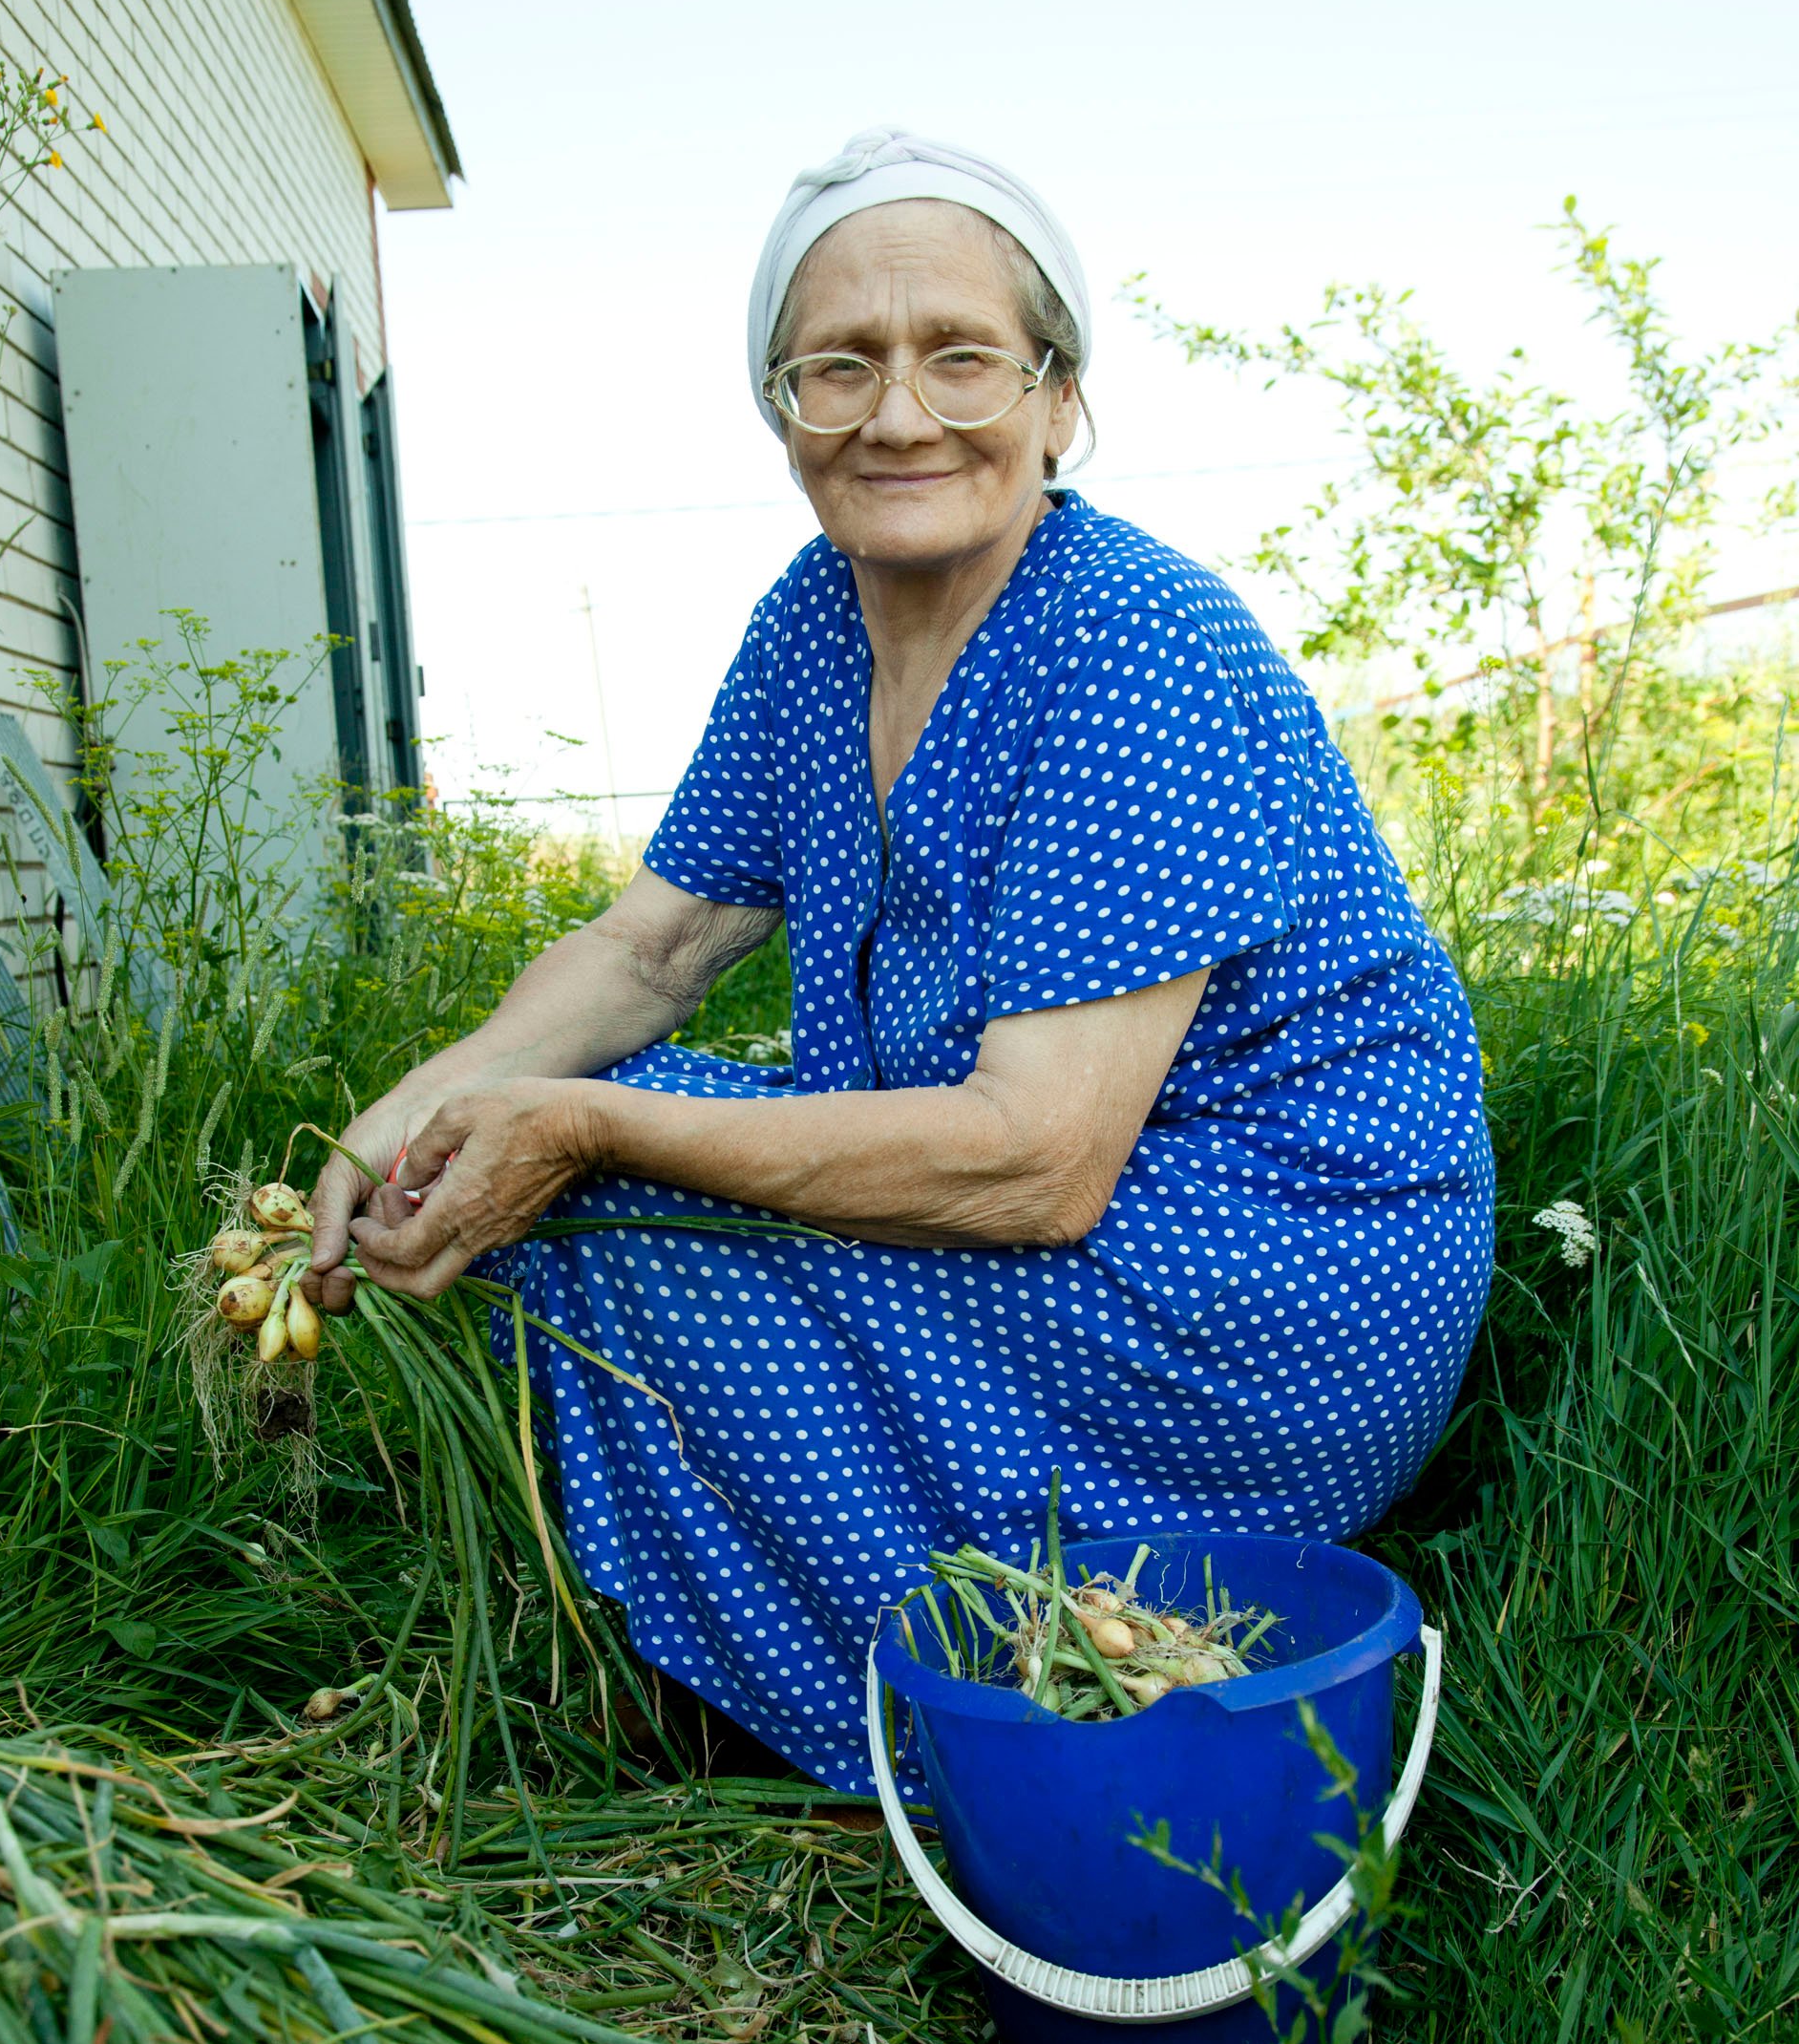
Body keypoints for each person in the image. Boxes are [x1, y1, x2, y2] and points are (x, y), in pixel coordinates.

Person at [305, 126, 1493, 1795]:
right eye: (836, 367)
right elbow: (653, 946)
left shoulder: (1131, 639)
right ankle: (841, 1643)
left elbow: (1040, 1163)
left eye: (962, 359)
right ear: (779, 408)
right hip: (1104, 1229)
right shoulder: (813, 619)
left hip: (1270, 1285)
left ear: (1059, 396)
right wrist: (400, 1114)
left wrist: (582, 1123)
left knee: (610, 1166)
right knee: (561, 1127)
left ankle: (943, 1686)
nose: (899, 415)